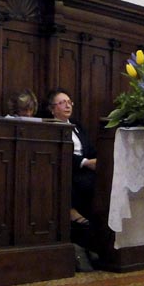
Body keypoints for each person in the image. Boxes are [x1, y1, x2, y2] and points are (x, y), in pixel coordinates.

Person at [46, 90, 97, 227]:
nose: (68, 106)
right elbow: (59, 153)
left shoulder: (76, 125)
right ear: (52, 109)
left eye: (69, 102)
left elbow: (90, 148)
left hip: (86, 166)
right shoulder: (49, 128)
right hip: (66, 167)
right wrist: (85, 162)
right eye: (62, 103)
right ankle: (72, 213)